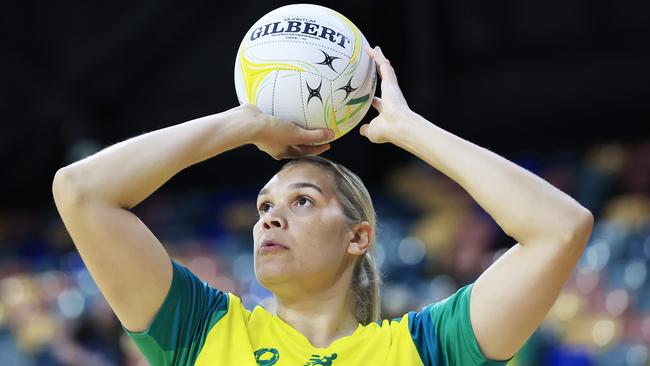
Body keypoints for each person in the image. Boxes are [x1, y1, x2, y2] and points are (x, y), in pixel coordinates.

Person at [52, 46, 594, 366]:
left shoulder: (424, 348)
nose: (270, 216)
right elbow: (82, 192)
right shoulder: (203, 331)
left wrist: (411, 130)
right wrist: (246, 123)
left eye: (302, 200)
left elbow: (561, 227)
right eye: (264, 205)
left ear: (358, 237)